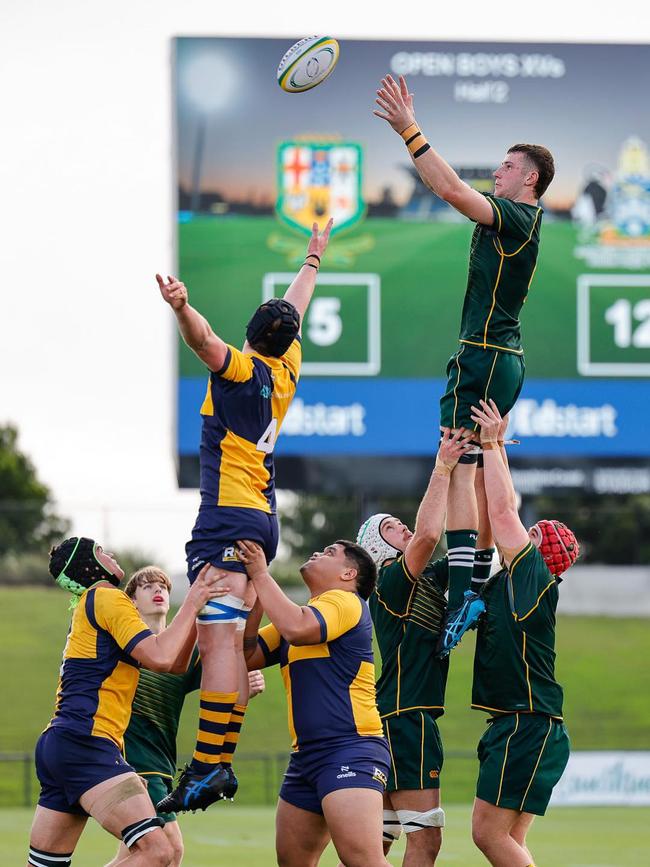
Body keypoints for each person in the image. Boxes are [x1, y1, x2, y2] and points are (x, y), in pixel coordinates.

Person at [374, 73, 555, 655]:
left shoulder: (517, 216)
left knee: (454, 465)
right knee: (473, 467)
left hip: (483, 357)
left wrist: (408, 129)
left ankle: (460, 598)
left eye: (506, 166)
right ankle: (473, 586)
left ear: (529, 178)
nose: (497, 172)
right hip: (505, 358)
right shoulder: (517, 219)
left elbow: (450, 188)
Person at [155, 218, 333, 812]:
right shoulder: (286, 368)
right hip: (261, 518)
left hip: (228, 517)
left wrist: (182, 307)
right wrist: (312, 261)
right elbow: (297, 308)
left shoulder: (243, 368)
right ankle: (217, 765)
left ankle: (211, 765)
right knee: (229, 639)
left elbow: (203, 341)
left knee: (220, 641)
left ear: (251, 334)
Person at [27, 537, 223, 867]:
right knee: (159, 852)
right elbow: (161, 656)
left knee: (44, 865)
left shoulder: (90, 605)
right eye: (102, 551)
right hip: (87, 744)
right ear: (89, 564)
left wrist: (195, 609)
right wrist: (192, 601)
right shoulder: (108, 597)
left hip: (61, 745)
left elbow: (172, 665)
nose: (111, 554)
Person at [468, 399, 578, 867]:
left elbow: (501, 509)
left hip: (526, 723)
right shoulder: (517, 580)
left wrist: (493, 441)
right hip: (526, 723)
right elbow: (500, 511)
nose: (522, 534)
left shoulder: (534, 574)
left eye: (533, 534)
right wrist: (495, 450)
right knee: (508, 839)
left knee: (488, 836)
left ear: (541, 552)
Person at [237, 537, 391, 867]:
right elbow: (246, 655)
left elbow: (297, 628)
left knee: (363, 860)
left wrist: (262, 576)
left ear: (349, 574)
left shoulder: (345, 601)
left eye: (330, 552)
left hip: (351, 749)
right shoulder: (307, 613)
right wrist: (257, 601)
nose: (318, 552)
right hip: (306, 758)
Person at [355, 429, 470, 866]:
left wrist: (473, 463)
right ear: (376, 548)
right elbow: (427, 534)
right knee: (425, 840)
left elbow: (471, 541)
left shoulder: (420, 581)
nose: (400, 525)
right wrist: (442, 464)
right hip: (407, 717)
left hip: (395, 713)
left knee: (377, 842)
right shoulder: (390, 580)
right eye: (389, 526)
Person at [107, 566, 266, 867]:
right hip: (135, 760)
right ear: (132, 601)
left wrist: (246, 682)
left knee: (135, 853)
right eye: (147, 586)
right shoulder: (124, 644)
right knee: (170, 849)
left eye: (163, 587)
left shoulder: (183, 651)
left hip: (163, 764)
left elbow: (222, 678)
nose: (158, 591)